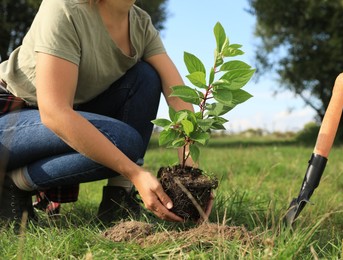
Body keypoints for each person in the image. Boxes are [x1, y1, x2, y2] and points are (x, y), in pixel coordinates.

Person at [0, 0, 209, 225]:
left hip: (65, 113)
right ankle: (14, 182)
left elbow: (177, 95)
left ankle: (118, 200)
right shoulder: (64, 7)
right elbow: (54, 112)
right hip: (11, 117)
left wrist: (190, 169)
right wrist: (135, 173)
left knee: (146, 76)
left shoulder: (140, 24)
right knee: (124, 142)